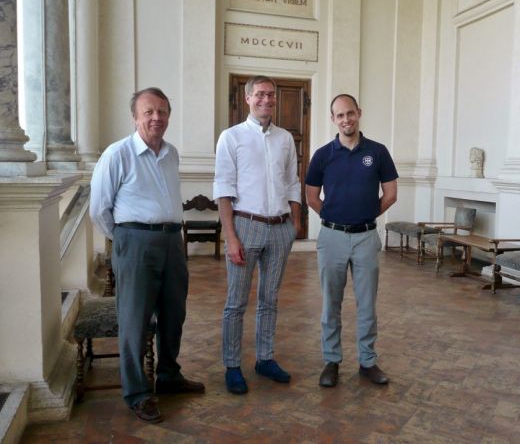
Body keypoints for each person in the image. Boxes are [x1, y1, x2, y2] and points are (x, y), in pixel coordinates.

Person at [90, 87, 204, 424]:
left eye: (163, 112)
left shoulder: (172, 154)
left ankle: (168, 376)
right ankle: (137, 392)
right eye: (149, 112)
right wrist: (125, 239)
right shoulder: (117, 153)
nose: (157, 117)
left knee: (174, 315)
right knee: (134, 320)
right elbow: (99, 209)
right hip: (135, 241)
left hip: (172, 241)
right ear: (135, 117)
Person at [213, 75, 301, 395]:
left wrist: (295, 222)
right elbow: (223, 189)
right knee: (236, 302)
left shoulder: (285, 138)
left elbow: (292, 181)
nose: (266, 99)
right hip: (245, 225)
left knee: (270, 299)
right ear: (248, 98)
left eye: (271, 95)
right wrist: (230, 236)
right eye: (260, 94)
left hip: (280, 228)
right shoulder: (231, 137)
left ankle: (264, 358)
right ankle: (232, 365)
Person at [305, 94, 398, 388]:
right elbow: (310, 196)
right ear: (333, 119)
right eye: (340, 115)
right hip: (331, 238)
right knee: (331, 303)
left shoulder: (378, 152)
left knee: (367, 304)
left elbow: (391, 194)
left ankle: (367, 362)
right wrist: (334, 218)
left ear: (359, 113)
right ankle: (331, 361)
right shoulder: (322, 155)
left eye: (350, 113)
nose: (346, 119)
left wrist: (367, 215)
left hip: (366, 237)